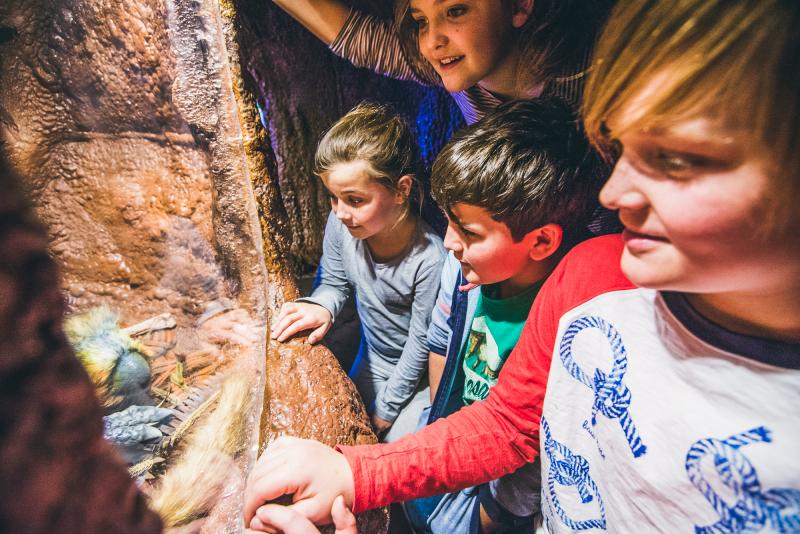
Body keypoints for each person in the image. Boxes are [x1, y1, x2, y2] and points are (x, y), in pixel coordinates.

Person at [244, 0, 800, 531]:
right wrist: (355, 472)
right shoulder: (593, 272)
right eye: (619, 149)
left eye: (677, 160)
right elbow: (510, 422)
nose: (614, 193)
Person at [405, 97, 606, 534]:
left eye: (468, 231)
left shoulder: (571, 318)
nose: (448, 242)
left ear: (541, 242)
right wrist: (444, 433)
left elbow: (545, 434)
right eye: (447, 221)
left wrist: (496, 513)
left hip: (502, 487)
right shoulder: (459, 269)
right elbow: (441, 342)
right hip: (457, 444)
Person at [271, 102, 446, 441]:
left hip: (417, 380)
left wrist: (387, 408)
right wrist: (320, 305)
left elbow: (421, 344)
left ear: (401, 190)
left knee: (389, 453)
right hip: (370, 360)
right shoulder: (343, 228)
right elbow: (334, 284)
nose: (339, 213)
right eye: (333, 198)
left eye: (354, 200)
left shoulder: (431, 260)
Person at [269, 0, 613, 124]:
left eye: (455, 11)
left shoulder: (590, 76)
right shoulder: (452, 65)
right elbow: (358, 39)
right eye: (421, 20)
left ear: (520, 6)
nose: (433, 40)